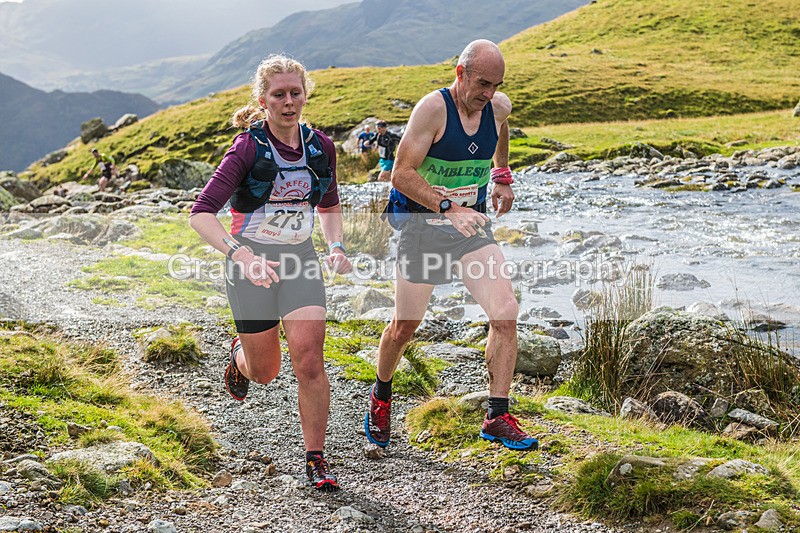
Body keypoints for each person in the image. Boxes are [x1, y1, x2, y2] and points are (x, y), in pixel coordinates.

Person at [189, 54, 352, 491]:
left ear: (305, 94)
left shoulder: (320, 147)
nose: (288, 101)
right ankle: (239, 359)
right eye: (278, 94)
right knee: (266, 372)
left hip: (300, 259)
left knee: (310, 359)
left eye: (295, 93)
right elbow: (201, 213)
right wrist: (241, 255)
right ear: (263, 100)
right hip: (251, 265)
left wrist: (335, 245)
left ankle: (315, 459)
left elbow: (329, 204)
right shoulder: (247, 148)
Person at [366, 40, 538, 452]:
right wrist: (447, 208)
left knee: (505, 312)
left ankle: (497, 414)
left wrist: (501, 175)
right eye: (482, 83)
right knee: (404, 327)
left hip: (470, 227)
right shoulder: (433, 110)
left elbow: (501, 127)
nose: (489, 94)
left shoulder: (496, 107)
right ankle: (381, 394)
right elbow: (401, 175)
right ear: (460, 73)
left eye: (496, 85)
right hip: (423, 226)